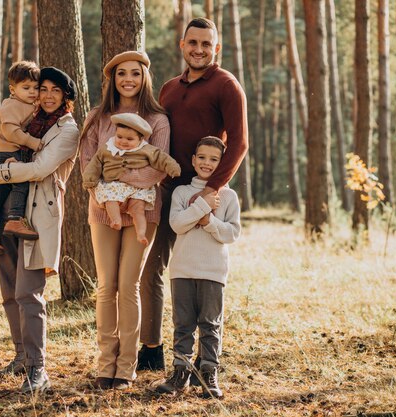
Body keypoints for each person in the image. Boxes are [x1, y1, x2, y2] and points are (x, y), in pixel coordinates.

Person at [137, 17, 249, 372]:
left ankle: (205, 357)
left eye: (206, 44)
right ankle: (151, 348)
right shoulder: (169, 88)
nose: (199, 49)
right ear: (182, 45)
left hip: (205, 195)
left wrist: (212, 191)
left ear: (216, 48)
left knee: (202, 276)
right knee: (151, 268)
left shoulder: (226, 85)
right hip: (168, 191)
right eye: (193, 43)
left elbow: (240, 143)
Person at [79, 51, 170, 390]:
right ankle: (105, 363)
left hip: (143, 211)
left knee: (129, 285)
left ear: (145, 78)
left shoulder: (158, 119)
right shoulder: (98, 117)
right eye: (121, 74)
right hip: (102, 209)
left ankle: (126, 368)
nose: (128, 79)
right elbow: (89, 164)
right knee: (106, 286)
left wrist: (120, 181)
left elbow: (157, 167)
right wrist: (106, 192)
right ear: (112, 80)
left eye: (135, 73)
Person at [0, 67, 79, 393]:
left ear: (67, 97)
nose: (49, 95)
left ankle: (39, 370)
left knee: (29, 293)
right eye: (44, 89)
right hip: (8, 214)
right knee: (10, 291)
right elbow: (6, 134)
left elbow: (41, 169)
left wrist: (2, 174)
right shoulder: (28, 121)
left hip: (38, 220)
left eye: (57, 90)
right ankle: (21, 358)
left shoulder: (67, 130)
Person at [155, 136, 240, 398]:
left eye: (214, 159)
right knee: (183, 324)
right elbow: (177, 225)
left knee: (210, 325)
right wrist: (203, 206)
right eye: (201, 157)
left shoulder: (228, 196)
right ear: (193, 160)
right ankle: (181, 372)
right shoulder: (181, 192)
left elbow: (232, 233)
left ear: (222, 163)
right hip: (182, 269)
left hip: (213, 272)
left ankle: (208, 374)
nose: (207, 163)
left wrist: (208, 222)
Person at [0, 61, 43, 255]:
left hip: (6, 151)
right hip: (9, 150)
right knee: (21, 182)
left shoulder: (28, 104)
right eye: (26, 87)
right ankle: (14, 219)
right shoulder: (11, 105)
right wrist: (32, 142)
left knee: (2, 190)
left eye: (36, 88)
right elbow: (11, 131)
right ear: (13, 89)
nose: (32, 92)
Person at [82, 113, 180, 245]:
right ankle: (115, 219)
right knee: (109, 199)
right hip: (114, 185)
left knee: (138, 208)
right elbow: (95, 164)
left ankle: (140, 233)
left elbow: (161, 158)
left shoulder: (146, 149)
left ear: (140, 140)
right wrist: (89, 179)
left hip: (138, 187)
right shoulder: (107, 148)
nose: (123, 141)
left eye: (129, 139)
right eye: (120, 137)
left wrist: (173, 168)